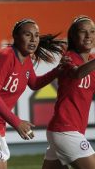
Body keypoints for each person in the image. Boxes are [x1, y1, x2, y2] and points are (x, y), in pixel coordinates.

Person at [0, 18, 66, 169]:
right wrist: (16, 122)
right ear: (16, 37)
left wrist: (58, 71)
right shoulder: (5, 57)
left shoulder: (26, 60)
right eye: (28, 35)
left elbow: (34, 83)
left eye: (36, 35)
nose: (33, 39)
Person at [42, 16, 95, 169]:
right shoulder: (68, 58)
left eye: (92, 32)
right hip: (65, 130)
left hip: (64, 132)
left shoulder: (91, 61)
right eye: (83, 32)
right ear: (73, 35)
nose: (88, 36)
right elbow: (77, 74)